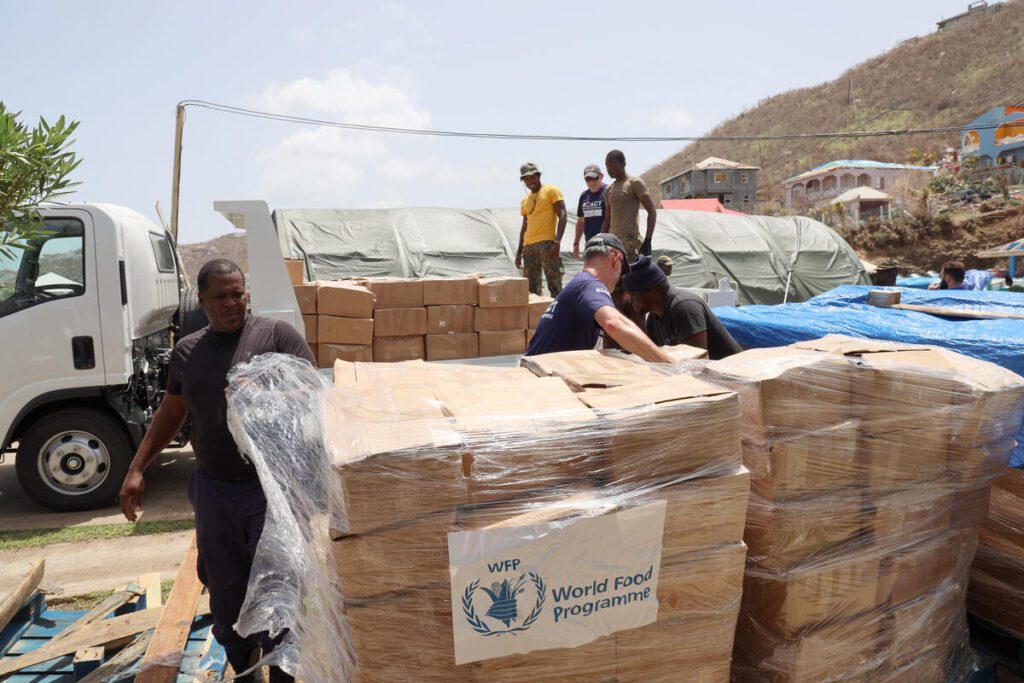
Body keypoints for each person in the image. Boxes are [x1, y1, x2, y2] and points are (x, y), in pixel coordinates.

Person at [119, 259, 314, 683]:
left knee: (279, 589)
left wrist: (267, 388)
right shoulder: (188, 351)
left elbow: (312, 389)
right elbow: (172, 413)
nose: (233, 303)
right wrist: (136, 469)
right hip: (215, 492)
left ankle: (283, 674)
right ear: (201, 301)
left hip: (270, 490)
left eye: (238, 294)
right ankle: (245, 669)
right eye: (222, 297)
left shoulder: (276, 336)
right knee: (225, 594)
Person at [526, 234, 673, 363]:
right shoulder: (590, 284)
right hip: (542, 382)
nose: (619, 278)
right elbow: (613, 323)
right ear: (616, 259)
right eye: (622, 270)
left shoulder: (578, 283)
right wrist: (666, 362)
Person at [624, 255, 742, 360]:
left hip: (729, 379)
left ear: (650, 291)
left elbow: (696, 362)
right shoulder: (653, 319)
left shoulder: (684, 307)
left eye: (633, 295)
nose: (631, 301)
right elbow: (655, 360)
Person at [515, 162, 567, 296]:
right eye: (526, 179)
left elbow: (563, 215)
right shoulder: (524, 201)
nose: (530, 181)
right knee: (531, 291)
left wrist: (557, 242)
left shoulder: (551, 190)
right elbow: (524, 227)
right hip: (528, 247)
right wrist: (519, 252)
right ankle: (536, 316)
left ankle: (559, 316)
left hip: (547, 245)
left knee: (555, 285)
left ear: (538, 176)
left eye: (532, 177)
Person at [600, 149, 657, 261]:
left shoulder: (634, 183)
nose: (609, 169)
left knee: (631, 277)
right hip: (613, 244)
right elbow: (607, 220)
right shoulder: (608, 189)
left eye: (612, 165)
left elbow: (652, 211)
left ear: (623, 164)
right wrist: (601, 240)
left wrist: (648, 240)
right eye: (607, 166)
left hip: (630, 242)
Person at [572, 164, 607, 259]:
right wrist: (576, 244)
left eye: (594, 178)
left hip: (607, 245)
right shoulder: (584, 195)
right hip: (590, 245)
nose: (591, 182)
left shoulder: (609, 192)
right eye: (588, 179)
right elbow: (581, 221)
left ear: (601, 176)